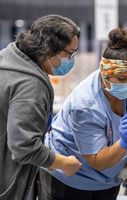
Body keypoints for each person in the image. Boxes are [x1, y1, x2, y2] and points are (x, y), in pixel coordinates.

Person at [38, 27, 127, 200]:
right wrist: (124, 143)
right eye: (121, 79)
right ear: (104, 74)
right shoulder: (85, 104)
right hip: (69, 177)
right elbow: (98, 161)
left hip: (109, 179)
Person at [0, 15, 82, 200]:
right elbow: (23, 147)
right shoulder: (30, 86)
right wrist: (62, 162)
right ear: (49, 49)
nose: (71, 59)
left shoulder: (7, 61)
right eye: (69, 53)